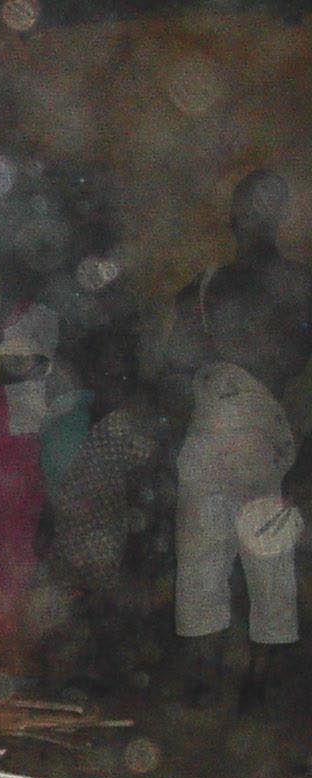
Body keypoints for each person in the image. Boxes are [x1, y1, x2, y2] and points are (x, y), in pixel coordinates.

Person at [166, 169, 312, 707]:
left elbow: (172, 380)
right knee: (266, 563)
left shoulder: (198, 292)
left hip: (211, 438)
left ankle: (209, 693)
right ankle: (252, 693)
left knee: (204, 568)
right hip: (260, 440)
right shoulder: (296, 288)